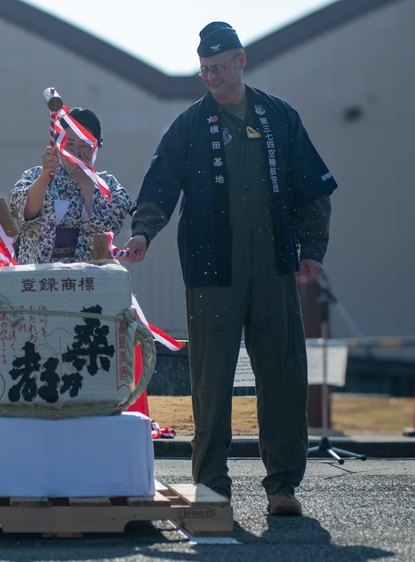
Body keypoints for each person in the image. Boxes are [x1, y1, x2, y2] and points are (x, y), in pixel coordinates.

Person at [120, 22, 337, 516]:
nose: (211, 78)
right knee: (211, 381)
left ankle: (283, 485)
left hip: (275, 267)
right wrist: (143, 232)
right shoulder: (190, 125)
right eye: (204, 71)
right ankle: (212, 485)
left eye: (219, 68)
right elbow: (160, 185)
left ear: (242, 60)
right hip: (212, 270)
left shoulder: (280, 117)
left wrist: (313, 250)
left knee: (283, 374)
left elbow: (313, 191)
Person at [9, 108, 134, 264]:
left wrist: (85, 180)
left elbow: (108, 226)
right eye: (69, 144)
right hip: (40, 273)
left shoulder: (108, 185)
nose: (76, 151)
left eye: (84, 145)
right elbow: (25, 215)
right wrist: (45, 176)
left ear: (96, 147)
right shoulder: (34, 176)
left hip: (88, 276)